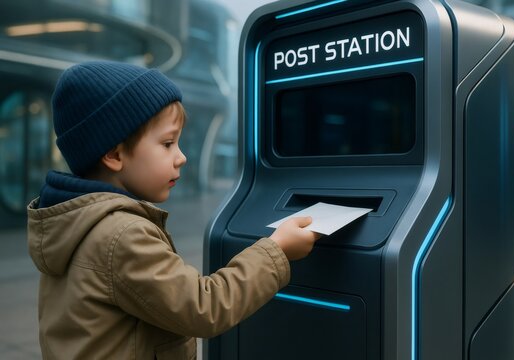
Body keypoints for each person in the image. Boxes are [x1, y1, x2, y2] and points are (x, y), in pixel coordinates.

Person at [27, 61, 320, 359]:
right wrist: (277, 251)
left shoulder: (70, 220)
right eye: (168, 143)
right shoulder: (121, 235)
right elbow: (204, 307)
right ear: (114, 154)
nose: (181, 157)